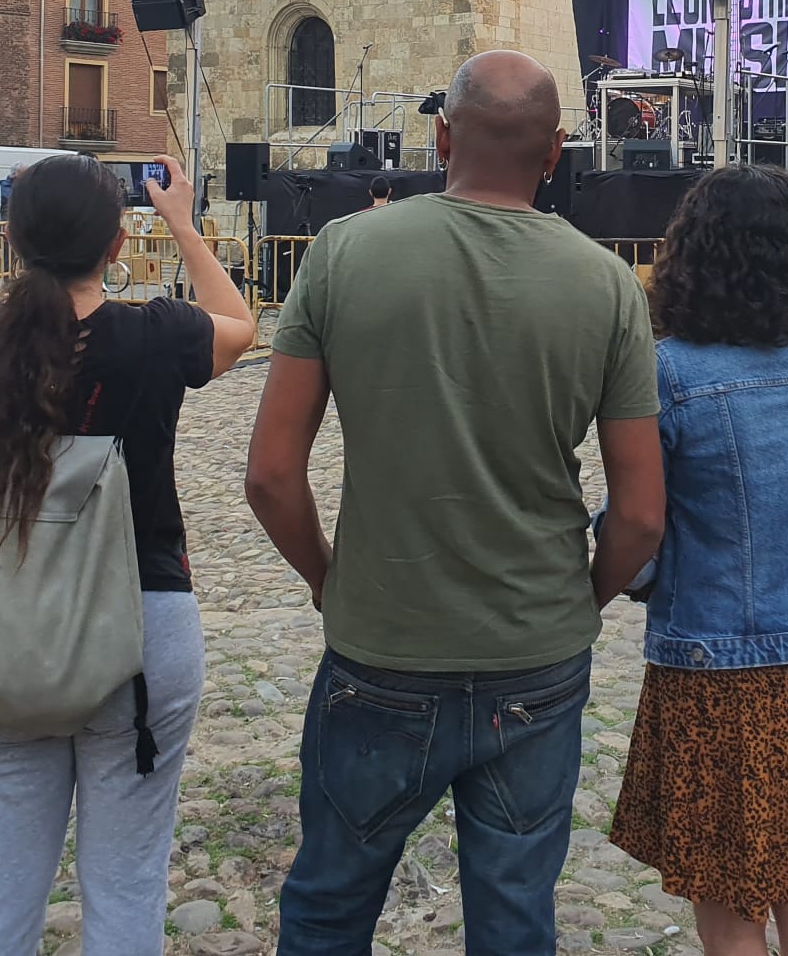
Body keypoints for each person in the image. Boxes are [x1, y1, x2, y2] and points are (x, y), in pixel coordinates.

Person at [246, 50, 664, 956]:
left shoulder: (344, 251)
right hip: (537, 655)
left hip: (381, 644)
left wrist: (329, 579)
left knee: (328, 904)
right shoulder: (606, 286)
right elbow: (640, 515)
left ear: (441, 136)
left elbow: (271, 475)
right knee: (516, 919)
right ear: (557, 153)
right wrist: (579, 600)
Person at [0, 153, 257, 953]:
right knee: (125, 884)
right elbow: (241, 326)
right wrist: (184, 225)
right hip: (141, 627)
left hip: (3, 627)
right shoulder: (153, 337)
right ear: (119, 245)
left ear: (10, 239)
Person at [608, 165, 788, 954]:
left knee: (731, 911)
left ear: (690, 254)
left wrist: (612, 576)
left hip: (719, 671)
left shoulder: (672, 372)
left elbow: (638, 533)